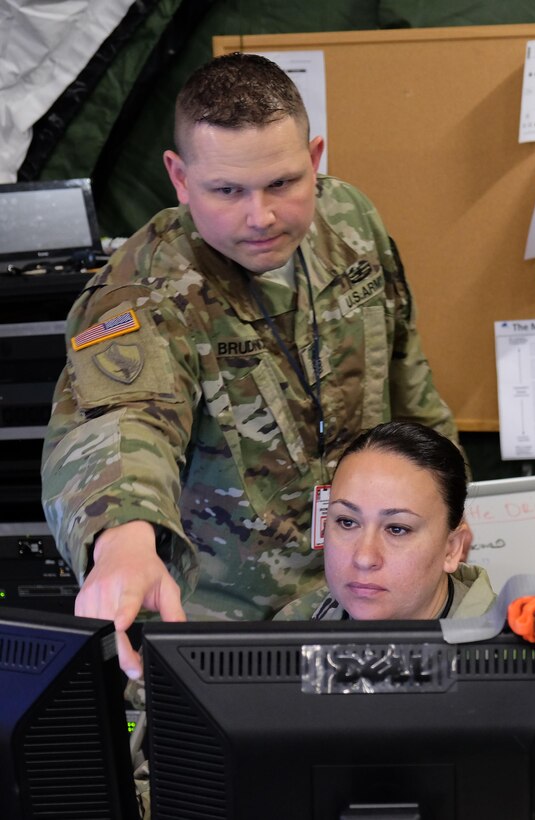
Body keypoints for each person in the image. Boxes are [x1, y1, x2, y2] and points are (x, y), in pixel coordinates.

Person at [41, 52, 461, 678]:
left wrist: (452, 511)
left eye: (284, 183)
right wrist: (123, 542)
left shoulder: (352, 225)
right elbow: (122, 425)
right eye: (227, 191)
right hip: (230, 643)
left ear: (315, 158)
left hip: (370, 613)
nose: (261, 216)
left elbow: (408, 383)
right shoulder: (144, 291)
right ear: (180, 178)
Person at [276, 421, 495, 621]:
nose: (364, 557)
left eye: (397, 529)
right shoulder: (294, 628)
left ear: (451, 549)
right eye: (347, 522)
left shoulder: (506, 657)